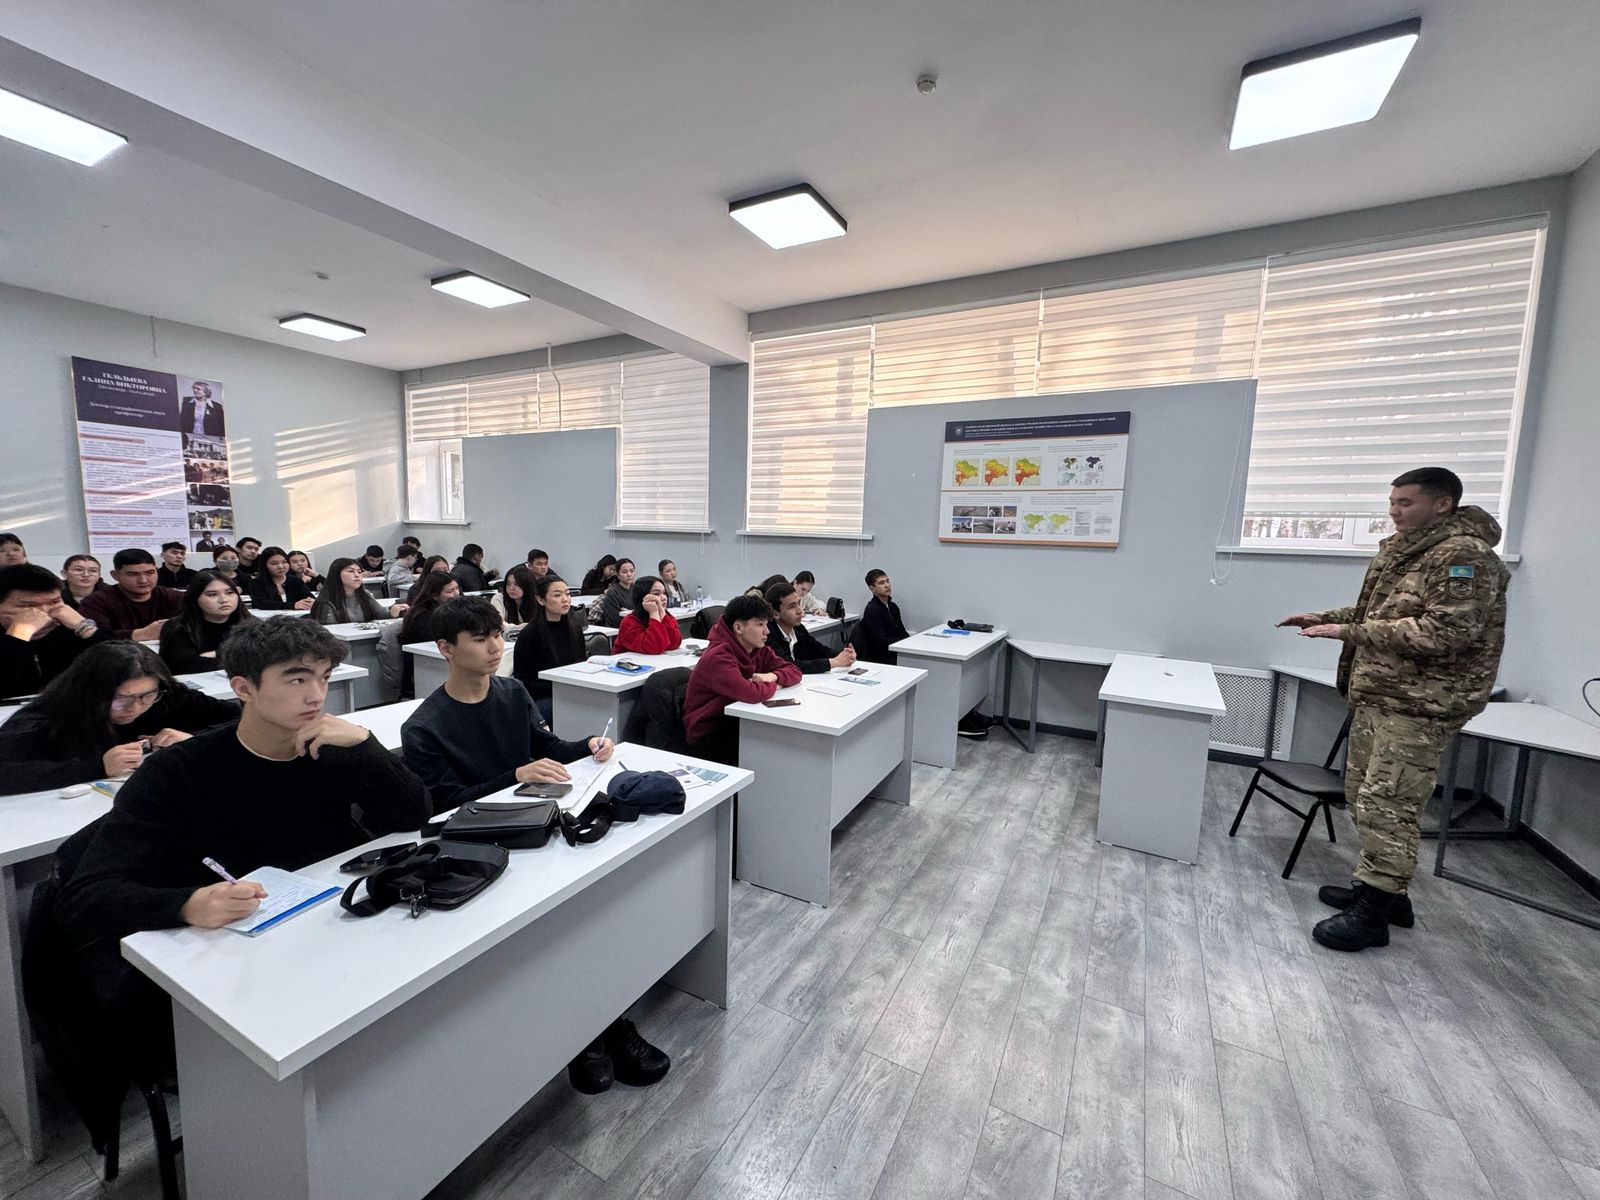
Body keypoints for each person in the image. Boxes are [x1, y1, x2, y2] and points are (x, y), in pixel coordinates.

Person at [53, 618, 430, 1077]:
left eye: (324, 677)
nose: (317, 695)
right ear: (243, 688)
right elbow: (86, 897)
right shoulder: (178, 772)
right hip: (231, 970)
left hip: (328, 939)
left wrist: (368, 746)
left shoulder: (331, 747)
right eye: (296, 679)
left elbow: (412, 816)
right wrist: (186, 904)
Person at [400, 598, 665, 1094]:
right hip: (478, 852)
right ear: (445, 649)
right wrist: (515, 775)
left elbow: (549, 748)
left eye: (498, 636)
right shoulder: (424, 725)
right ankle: (585, 1036)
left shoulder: (512, 691)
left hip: (537, 831)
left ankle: (606, 1021)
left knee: (592, 914)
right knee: (558, 934)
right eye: (480, 639)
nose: (494, 648)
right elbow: (440, 808)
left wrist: (588, 745)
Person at [1279, 467, 1510, 952]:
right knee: (1366, 797)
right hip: (1385, 696)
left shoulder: (1463, 556)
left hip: (1422, 702)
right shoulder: (1409, 550)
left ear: (1442, 503)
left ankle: (1372, 917)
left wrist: (1349, 633)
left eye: (1405, 502)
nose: (1394, 511)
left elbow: (1447, 633)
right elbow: (1381, 612)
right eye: (1393, 502)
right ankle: (1387, 895)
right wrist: (1325, 617)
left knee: (1390, 803)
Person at [0, 641, 238, 795]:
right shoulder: (48, 716)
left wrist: (194, 739)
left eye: (147, 696)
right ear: (90, 692)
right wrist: (98, 766)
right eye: (120, 698)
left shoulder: (167, 696)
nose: (135, 707)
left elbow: (241, 718)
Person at [682, 595, 801, 763]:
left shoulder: (757, 648)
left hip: (737, 721)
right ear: (739, 627)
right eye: (760, 624)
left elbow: (795, 671)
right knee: (772, 748)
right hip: (710, 732)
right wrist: (776, 685)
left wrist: (772, 676)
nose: (767, 631)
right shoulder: (718, 656)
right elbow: (750, 693)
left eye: (766, 624)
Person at [0, 563, 111, 699]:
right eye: (29, 606)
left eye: (54, 602)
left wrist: (85, 628)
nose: (44, 613)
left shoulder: (67, 625)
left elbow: (120, 666)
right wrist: (20, 634)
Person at [512, 576, 589, 724]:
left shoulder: (575, 629)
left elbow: (580, 666)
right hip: (542, 699)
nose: (565, 599)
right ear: (541, 600)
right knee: (576, 708)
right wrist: (559, 687)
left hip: (571, 693)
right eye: (557, 595)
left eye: (567, 594)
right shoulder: (530, 634)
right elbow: (523, 681)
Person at [160, 569, 257, 674]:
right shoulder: (179, 628)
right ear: (195, 598)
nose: (224, 600)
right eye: (212, 595)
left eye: (229, 593)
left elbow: (265, 657)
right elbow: (188, 666)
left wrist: (217, 653)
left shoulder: (252, 624)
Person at [79, 549, 184, 641]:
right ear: (115, 575)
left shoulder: (174, 597)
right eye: (132, 574)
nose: (143, 580)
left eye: (150, 573)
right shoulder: (96, 602)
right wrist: (140, 634)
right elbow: (93, 637)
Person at [765, 583, 856, 673]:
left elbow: (817, 649)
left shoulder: (798, 628)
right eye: (792, 606)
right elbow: (788, 666)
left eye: (798, 603)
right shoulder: (767, 634)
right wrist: (834, 662)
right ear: (775, 614)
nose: (800, 611)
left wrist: (844, 654)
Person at [397, 572, 461, 697]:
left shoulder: (450, 610)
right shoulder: (422, 616)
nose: (456, 594)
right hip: (420, 671)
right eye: (450, 591)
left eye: (457, 588)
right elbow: (440, 640)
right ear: (435, 596)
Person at [309, 557, 403, 625]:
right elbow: (329, 632)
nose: (357, 575)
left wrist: (393, 612)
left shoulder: (365, 595)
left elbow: (382, 615)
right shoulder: (326, 601)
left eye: (359, 572)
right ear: (337, 574)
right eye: (351, 571)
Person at [614, 576, 682, 654]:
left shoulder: (668, 616)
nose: (664, 598)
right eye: (656, 594)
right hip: (629, 661)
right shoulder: (629, 622)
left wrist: (662, 612)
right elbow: (654, 647)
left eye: (664, 593)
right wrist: (653, 613)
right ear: (642, 597)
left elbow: (674, 643)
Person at [853, 569, 908, 664]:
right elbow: (880, 642)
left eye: (887, 581)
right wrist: (900, 646)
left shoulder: (893, 607)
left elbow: (902, 632)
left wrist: (908, 644)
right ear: (872, 589)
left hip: (895, 651)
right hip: (882, 658)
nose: (887, 585)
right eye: (881, 583)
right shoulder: (872, 610)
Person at [248, 546, 316, 611]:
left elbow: (309, 597)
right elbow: (263, 603)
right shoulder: (256, 583)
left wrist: (311, 601)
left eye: (284, 562)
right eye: (274, 563)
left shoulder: (295, 580)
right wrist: (293, 605)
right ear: (265, 566)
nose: (281, 566)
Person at [598, 558, 637, 627]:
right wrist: (632, 614)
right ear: (618, 575)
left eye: (631, 571)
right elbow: (616, 618)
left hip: (634, 625)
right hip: (617, 629)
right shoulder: (613, 592)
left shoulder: (636, 589)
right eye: (624, 572)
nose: (629, 574)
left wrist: (629, 613)